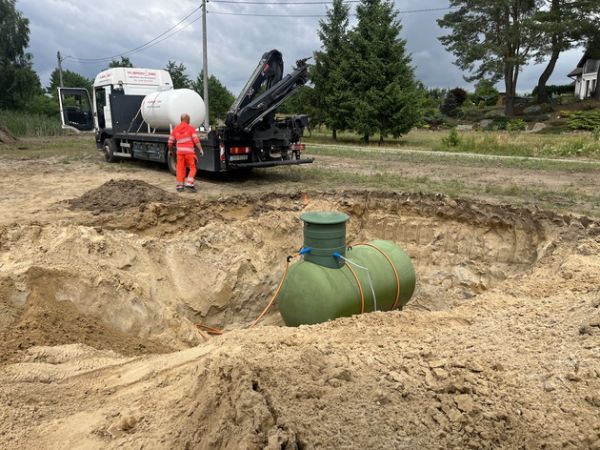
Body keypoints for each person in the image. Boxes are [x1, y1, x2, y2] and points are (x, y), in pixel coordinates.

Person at [167, 113, 203, 192]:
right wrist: (200, 149)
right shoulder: (190, 128)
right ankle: (189, 183)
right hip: (189, 153)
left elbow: (170, 142)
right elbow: (196, 140)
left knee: (180, 168)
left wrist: (170, 150)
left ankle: (180, 186)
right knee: (193, 168)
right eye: (189, 119)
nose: (190, 121)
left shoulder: (175, 129)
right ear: (187, 120)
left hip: (180, 153)